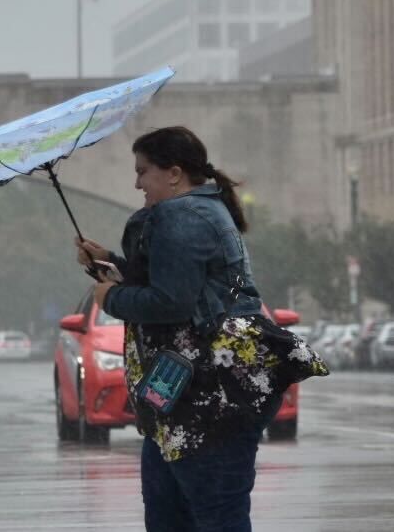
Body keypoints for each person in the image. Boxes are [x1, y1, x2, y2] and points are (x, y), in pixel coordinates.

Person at [76, 126, 281, 532]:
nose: (137, 183)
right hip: (185, 398)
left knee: (210, 518)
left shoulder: (181, 216)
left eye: (143, 171)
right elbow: (180, 283)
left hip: (204, 400)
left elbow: (172, 302)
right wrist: (111, 265)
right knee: (185, 515)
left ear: (173, 173)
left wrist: (109, 299)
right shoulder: (201, 211)